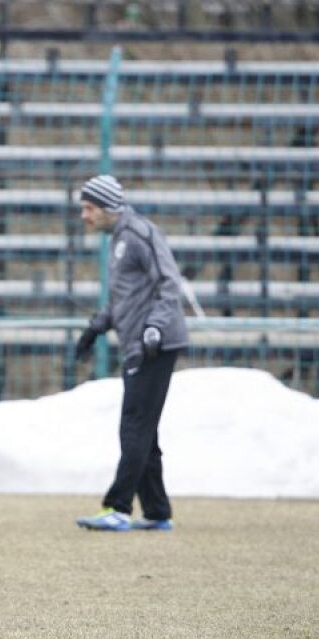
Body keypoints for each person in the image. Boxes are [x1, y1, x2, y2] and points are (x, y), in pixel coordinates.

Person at [73, 174, 190, 532]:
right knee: (144, 430)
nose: (84, 216)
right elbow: (124, 297)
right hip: (138, 344)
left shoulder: (139, 233)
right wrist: (96, 327)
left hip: (156, 345)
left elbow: (169, 282)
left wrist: (154, 327)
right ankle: (156, 511)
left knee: (134, 426)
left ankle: (118, 507)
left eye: (90, 208)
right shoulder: (119, 239)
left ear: (108, 208)